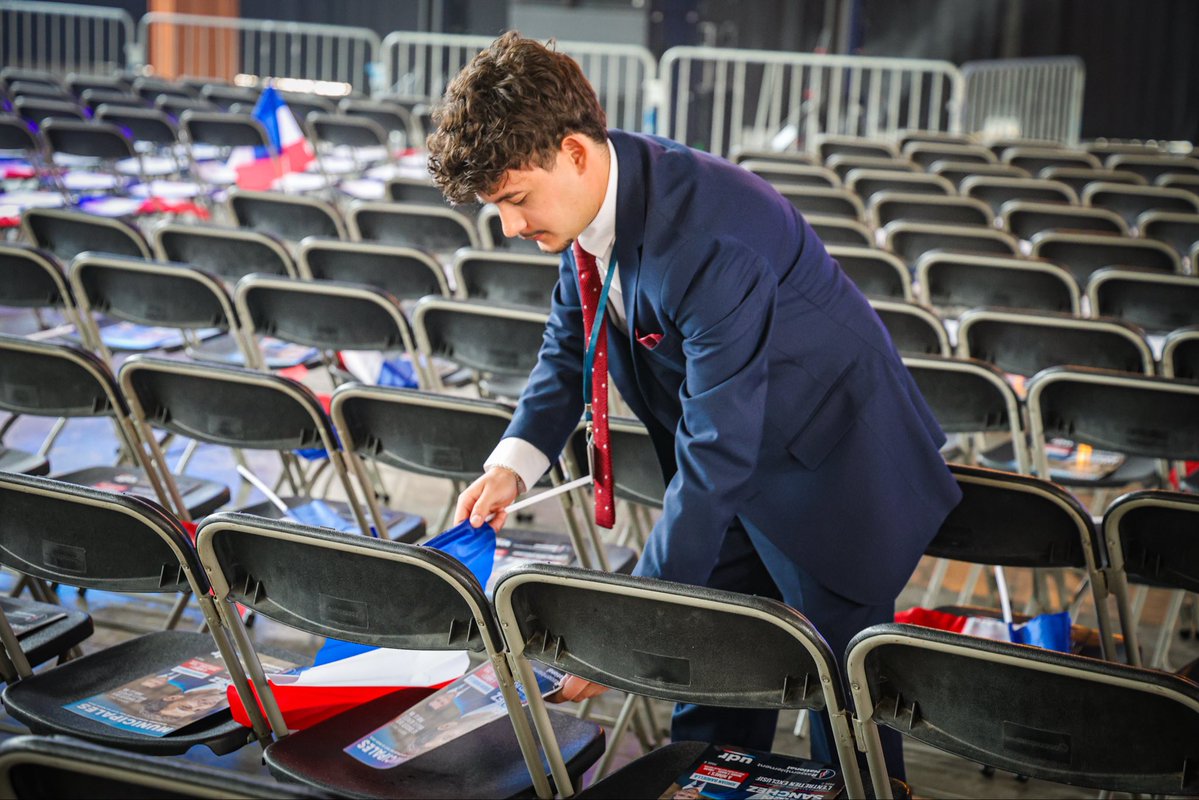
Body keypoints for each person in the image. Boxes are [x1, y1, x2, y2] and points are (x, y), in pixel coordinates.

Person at [427, 32, 962, 779]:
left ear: (575, 152)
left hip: (830, 468)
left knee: (844, 713)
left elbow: (716, 449)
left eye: (515, 200)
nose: (511, 229)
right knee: (708, 674)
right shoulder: (597, 194)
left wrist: (622, 632)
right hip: (729, 461)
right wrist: (514, 463)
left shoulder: (709, 239)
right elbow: (566, 345)